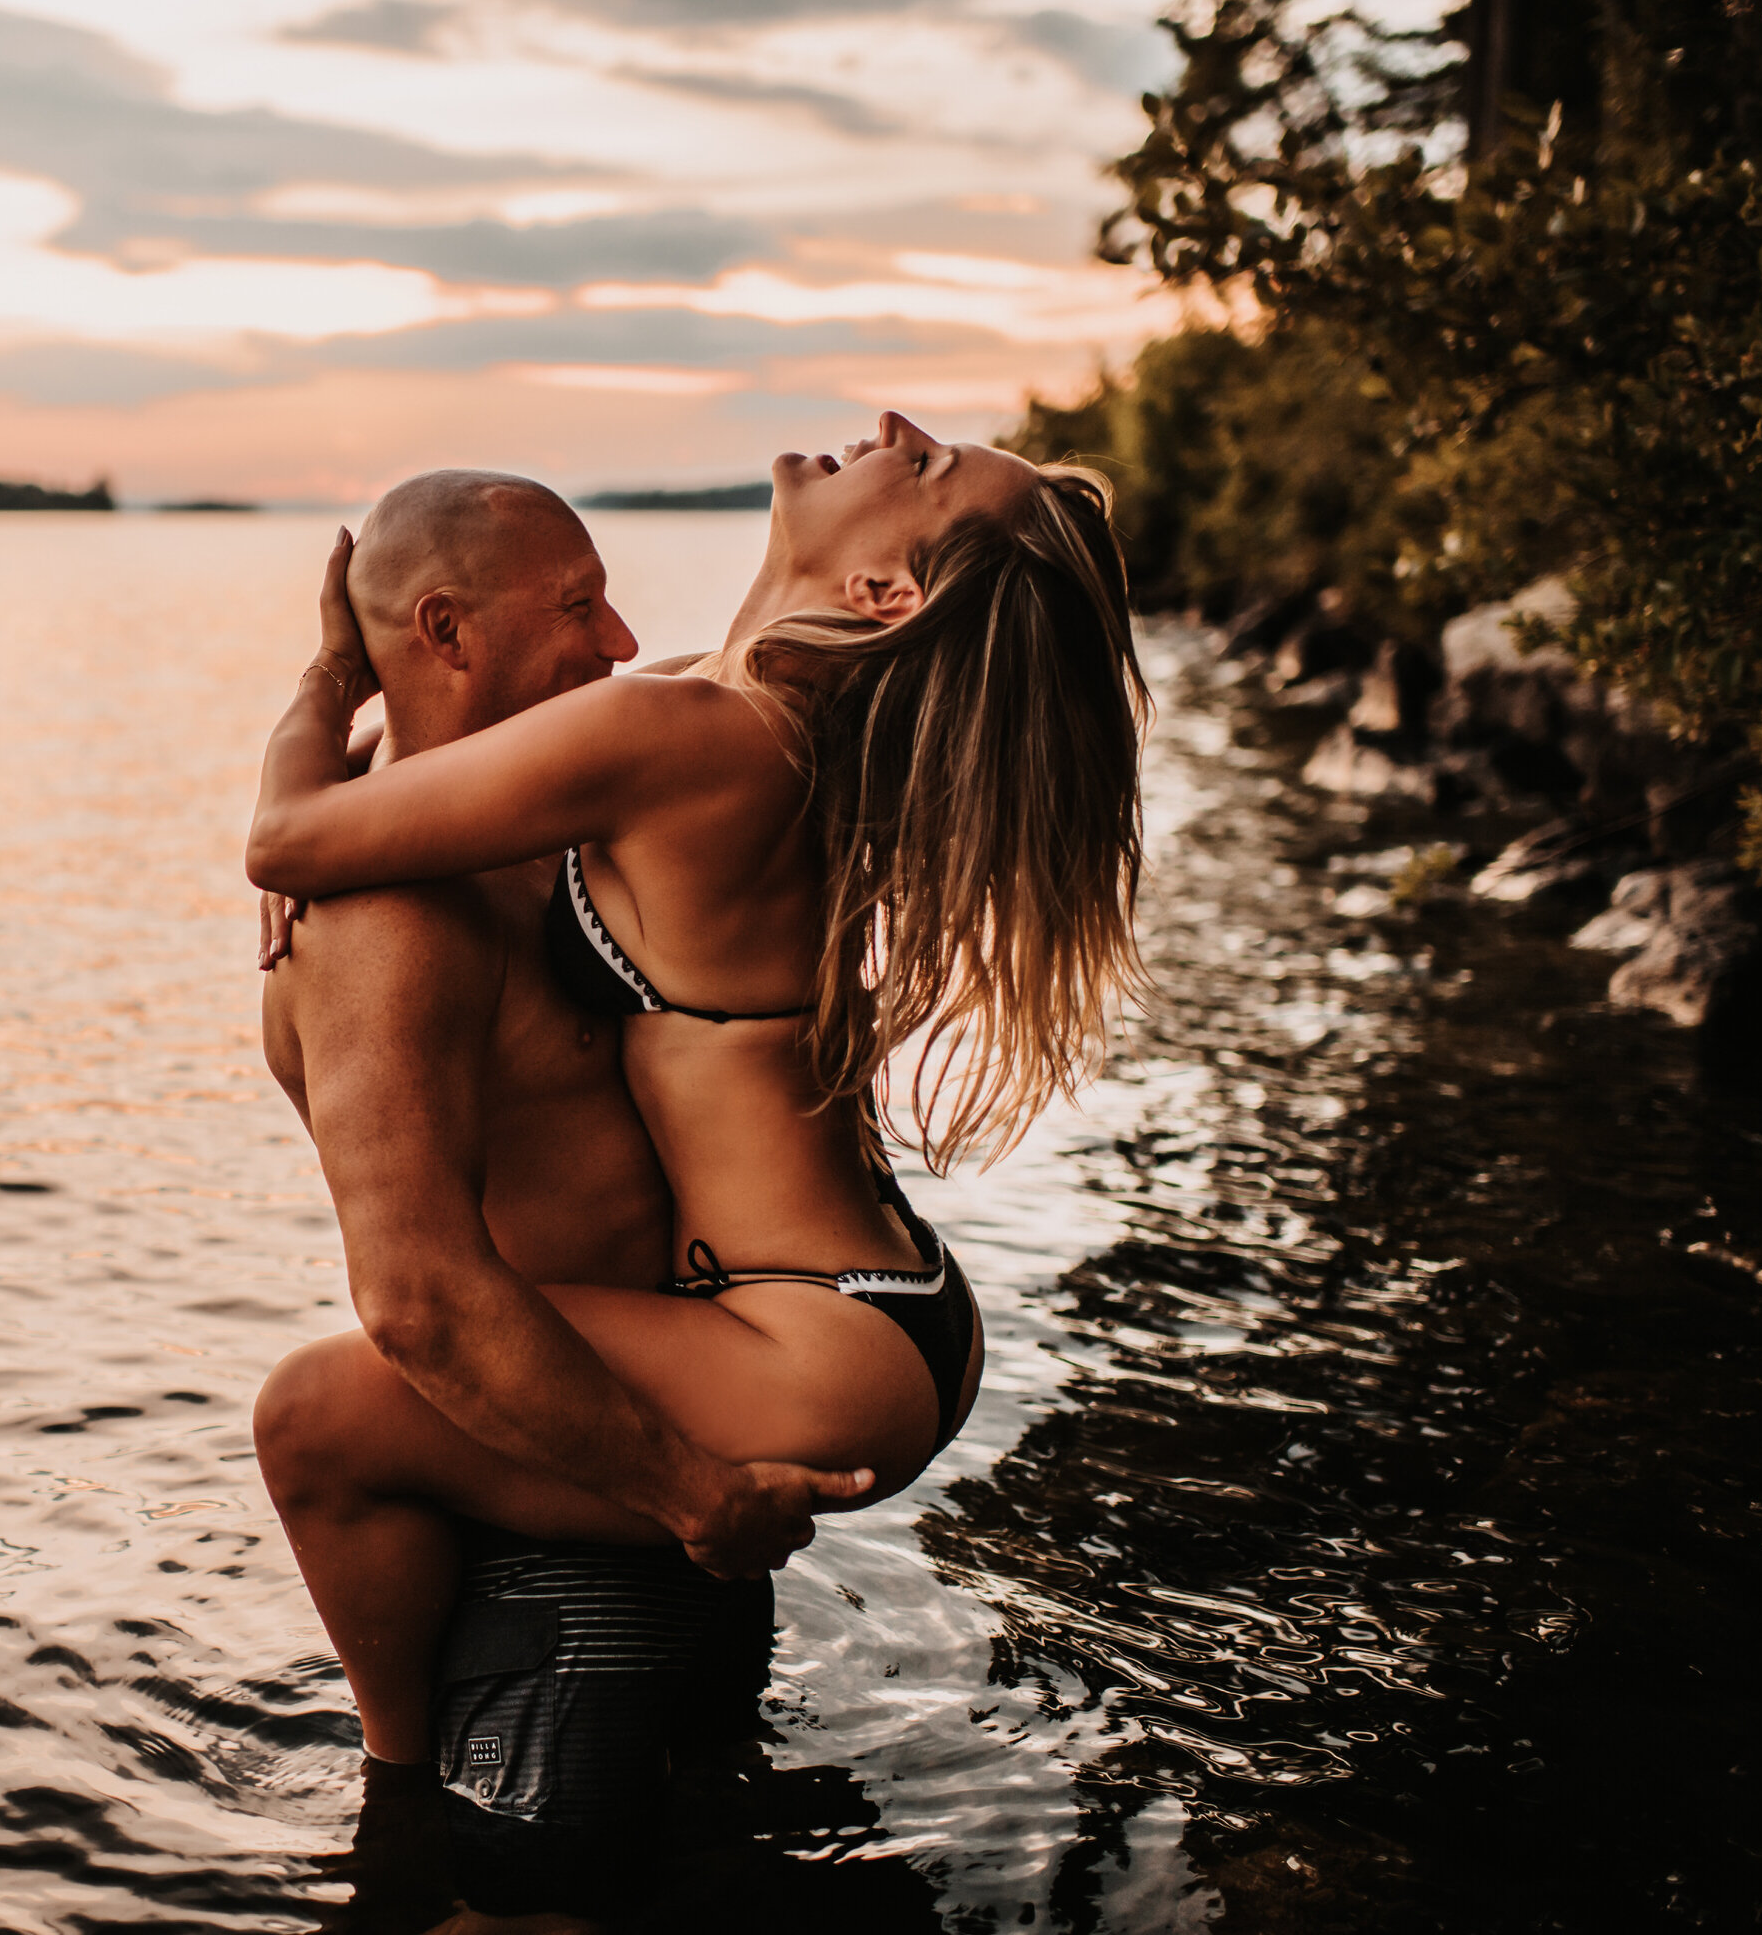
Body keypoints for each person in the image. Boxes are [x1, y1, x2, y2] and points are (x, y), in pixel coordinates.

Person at [247, 412, 1150, 1775]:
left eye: (925, 466)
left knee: (313, 1418)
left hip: (809, 1346)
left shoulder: (685, 730)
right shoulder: (747, 710)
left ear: (885, 595)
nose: (895, 427)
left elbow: (286, 838)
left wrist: (328, 680)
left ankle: (400, 1791)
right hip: (880, 1309)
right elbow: (446, 809)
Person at [253, 471, 871, 1785]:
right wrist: (699, 1496)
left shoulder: (547, 815)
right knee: (514, 1892)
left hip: (686, 1461)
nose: (623, 642)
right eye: (580, 606)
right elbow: (416, 1297)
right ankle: (404, 1804)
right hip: (604, 1496)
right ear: (444, 631)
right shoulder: (392, 916)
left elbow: (734, 684)